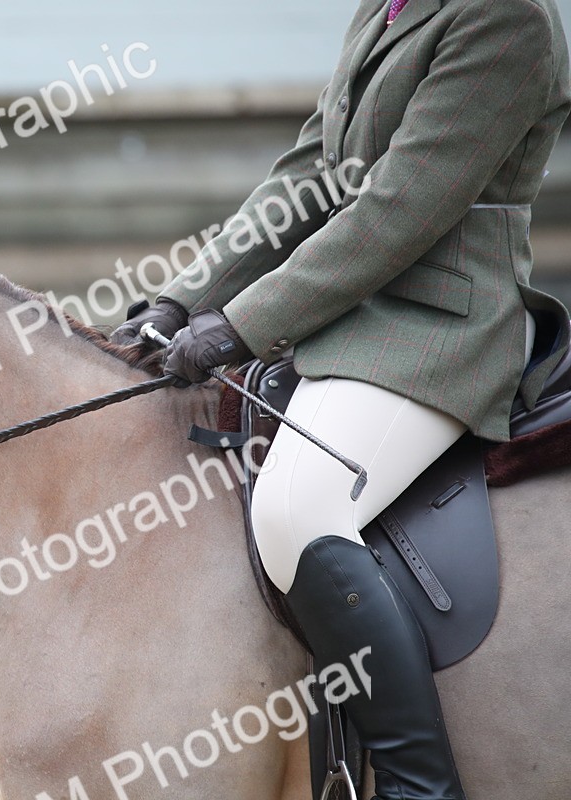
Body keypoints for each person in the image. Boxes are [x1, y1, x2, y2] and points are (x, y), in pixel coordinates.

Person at [112, 1, 571, 797]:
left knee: (297, 504)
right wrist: (186, 299)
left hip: (440, 326)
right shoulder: (388, 8)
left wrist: (243, 324)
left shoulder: (508, 21)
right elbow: (305, 179)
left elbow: (398, 207)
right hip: (351, 321)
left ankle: (416, 785)